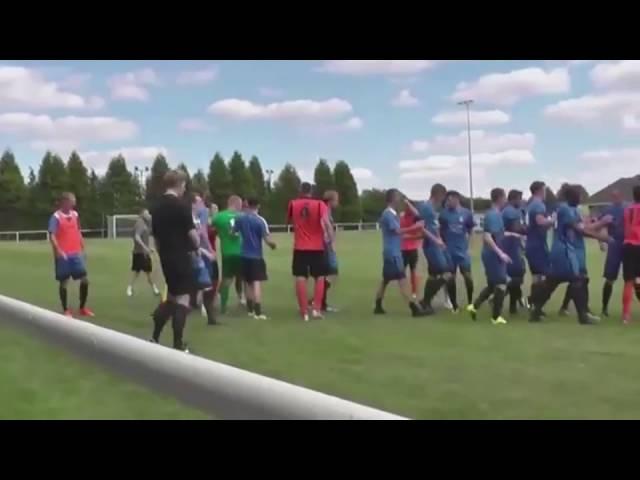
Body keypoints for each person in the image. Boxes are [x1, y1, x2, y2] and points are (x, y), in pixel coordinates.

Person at [530, 185, 610, 325]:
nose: (580, 198)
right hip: (564, 250)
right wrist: (602, 234)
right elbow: (580, 229)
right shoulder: (565, 209)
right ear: (571, 197)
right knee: (578, 279)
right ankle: (583, 316)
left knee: (552, 281)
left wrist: (597, 227)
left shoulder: (570, 209)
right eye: (578, 196)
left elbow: (583, 226)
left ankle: (535, 311)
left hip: (563, 250)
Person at [149, 170, 199, 352]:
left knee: (171, 298)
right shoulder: (181, 206)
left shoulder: (156, 207)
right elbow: (193, 236)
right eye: (184, 184)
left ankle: (154, 336)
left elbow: (155, 237)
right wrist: (197, 245)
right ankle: (178, 344)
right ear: (179, 184)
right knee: (183, 299)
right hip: (181, 256)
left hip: (166, 257)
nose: (185, 188)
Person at [466, 188, 516, 325]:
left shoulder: (496, 214)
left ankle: (474, 306)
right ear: (500, 198)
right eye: (504, 197)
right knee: (501, 283)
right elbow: (487, 236)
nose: (506, 200)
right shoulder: (493, 215)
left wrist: (515, 235)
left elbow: (499, 234)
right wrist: (501, 253)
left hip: (494, 254)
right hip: (492, 255)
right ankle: (496, 317)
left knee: (493, 284)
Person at [374, 189, 426, 317]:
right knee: (402, 280)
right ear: (393, 199)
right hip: (393, 253)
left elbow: (399, 235)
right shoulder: (388, 215)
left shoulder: (393, 214)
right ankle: (414, 308)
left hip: (391, 252)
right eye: (398, 197)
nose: (400, 200)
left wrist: (416, 237)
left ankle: (378, 305)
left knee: (386, 280)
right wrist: (415, 228)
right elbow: (397, 231)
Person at [287, 182, 333, 321]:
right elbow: (326, 223)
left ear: (300, 190)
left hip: (300, 247)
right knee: (319, 277)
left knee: (301, 277)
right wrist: (330, 240)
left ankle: (303, 311)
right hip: (317, 247)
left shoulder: (293, 204)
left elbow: (289, 222)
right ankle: (316, 310)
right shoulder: (320, 205)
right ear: (311, 191)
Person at [48, 192, 94, 318]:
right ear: (65, 202)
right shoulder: (56, 217)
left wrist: (83, 248)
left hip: (76, 254)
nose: (74, 204)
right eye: (72, 201)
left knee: (85, 280)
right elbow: (52, 235)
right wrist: (58, 250)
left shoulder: (75, 215)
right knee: (64, 282)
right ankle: (66, 310)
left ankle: (82, 307)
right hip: (63, 256)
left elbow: (78, 231)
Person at [233, 198, 276, 319]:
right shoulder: (260, 221)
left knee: (247, 283)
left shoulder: (240, 219)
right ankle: (258, 312)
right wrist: (272, 245)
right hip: (256, 256)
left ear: (247, 205)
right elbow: (266, 239)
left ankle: (250, 309)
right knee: (256, 283)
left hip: (243, 255)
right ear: (258, 206)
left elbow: (233, 232)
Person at [438, 190, 475, 312]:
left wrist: (469, 247)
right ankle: (454, 305)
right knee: (451, 278)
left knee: (468, 277)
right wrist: (442, 243)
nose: (448, 202)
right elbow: (440, 231)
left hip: (463, 251)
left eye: (450, 200)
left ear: (456, 199)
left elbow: (471, 230)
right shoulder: (443, 214)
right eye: (447, 200)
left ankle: (470, 302)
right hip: (449, 251)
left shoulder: (466, 213)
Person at [417, 183, 451, 314]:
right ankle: (425, 301)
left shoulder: (430, 208)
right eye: (443, 197)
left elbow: (434, 226)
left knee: (433, 275)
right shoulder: (426, 208)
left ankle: (427, 303)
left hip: (435, 245)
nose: (443, 200)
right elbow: (421, 227)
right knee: (446, 274)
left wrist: (440, 239)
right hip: (431, 246)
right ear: (438, 195)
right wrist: (436, 240)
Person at [525, 181, 554, 315]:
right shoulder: (538, 204)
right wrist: (553, 220)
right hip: (537, 245)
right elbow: (540, 221)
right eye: (544, 189)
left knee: (537, 277)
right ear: (539, 190)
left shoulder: (531, 204)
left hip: (532, 243)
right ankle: (534, 303)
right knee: (548, 276)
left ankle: (535, 305)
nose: (546, 192)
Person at [212, 195, 244, 314]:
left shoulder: (219, 217)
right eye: (240, 205)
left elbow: (209, 226)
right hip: (241, 252)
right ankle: (246, 302)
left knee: (226, 280)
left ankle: (223, 307)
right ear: (235, 204)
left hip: (227, 253)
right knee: (245, 278)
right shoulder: (242, 216)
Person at [599, 190, 627, 317]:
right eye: (614, 196)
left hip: (628, 245)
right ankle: (604, 307)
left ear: (622, 196)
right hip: (614, 245)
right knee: (610, 278)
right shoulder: (607, 210)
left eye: (618, 195)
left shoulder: (628, 208)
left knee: (634, 278)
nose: (616, 197)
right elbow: (600, 225)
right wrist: (601, 241)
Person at [192, 194, 218, 326]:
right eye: (198, 201)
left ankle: (206, 312)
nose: (200, 203)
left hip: (197, 252)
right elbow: (201, 234)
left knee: (204, 282)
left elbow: (202, 234)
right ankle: (202, 307)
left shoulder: (196, 216)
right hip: (196, 253)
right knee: (205, 281)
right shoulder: (197, 215)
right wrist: (208, 251)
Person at [502, 190, 528, 315]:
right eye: (519, 199)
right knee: (516, 276)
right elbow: (516, 228)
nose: (521, 201)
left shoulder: (516, 211)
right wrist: (530, 229)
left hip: (514, 246)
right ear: (513, 199)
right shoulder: (510, 211)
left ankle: (515, 302)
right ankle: (510, 303)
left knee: (518, 276)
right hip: (510, 247)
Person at [127, 208, 161, 297]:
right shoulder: (140, 223)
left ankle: (130, 288)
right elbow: (137, 237)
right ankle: (154, 289)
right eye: (147, 213)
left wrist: (149, 248)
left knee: (141, 272)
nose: (149, 215)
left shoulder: (144, 223)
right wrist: (146, 248)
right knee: (146, 272)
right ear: (142, 214)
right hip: (140, 253)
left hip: (143, 252)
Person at [622, 185, 640, 324]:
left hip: (628, 245)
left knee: (628, 281)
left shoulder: (627, 209)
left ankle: (626, 315)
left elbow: (626, 228)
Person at [400, 203, 422, 300]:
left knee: (413, 271)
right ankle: (404, 291)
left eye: (409, 207)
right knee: (401, 272)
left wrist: (408, 236)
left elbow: (420, 234)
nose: (407, 208)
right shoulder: (401, 216)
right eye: (406, 206)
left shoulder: (415, 217)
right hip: (402, 249)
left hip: (412, 249)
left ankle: (413, 291)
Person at [322, 190, 340, 312]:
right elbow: (324, 226)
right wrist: (330, 242)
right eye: (336, 199)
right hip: (326, 246)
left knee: (328, 273)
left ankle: (319, 301)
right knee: (332, 271)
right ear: (330, 200)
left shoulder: (327, 210)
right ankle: (319, 301)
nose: (338, 202)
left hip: (327, 245)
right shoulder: (324, 210)